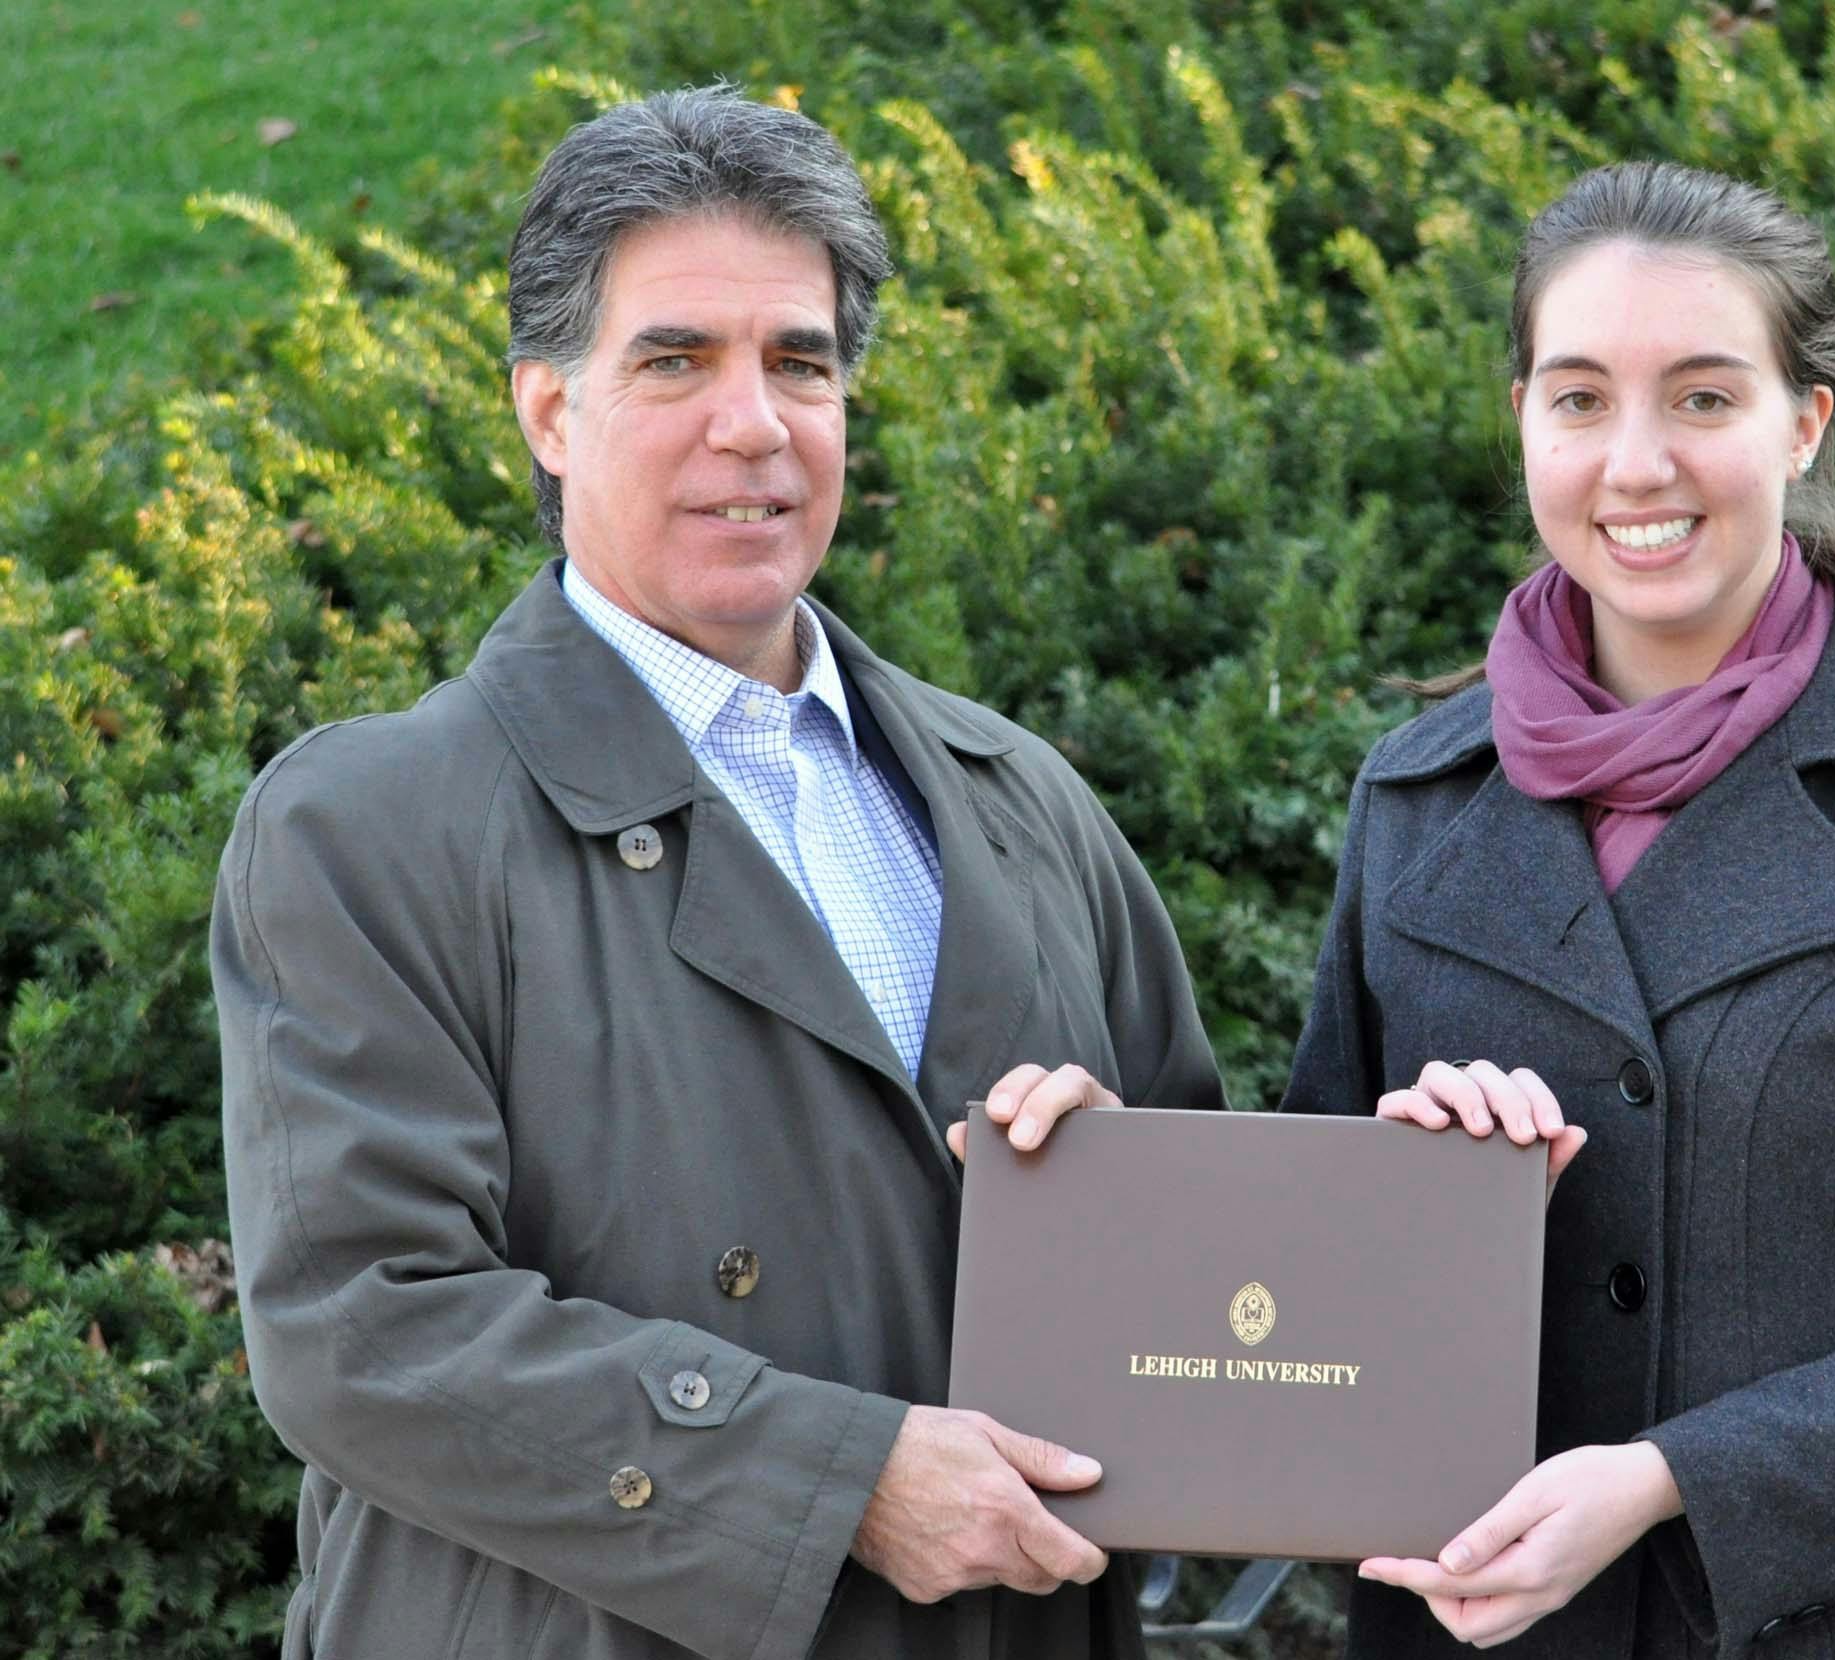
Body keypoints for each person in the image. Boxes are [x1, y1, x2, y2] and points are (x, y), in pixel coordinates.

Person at [211, 87, 1221, 1660]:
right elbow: (365, 1325)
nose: (751, 423)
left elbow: (1218, 1277)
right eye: (674, 360)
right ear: (549, 413)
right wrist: (839, 1485)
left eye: (799, 363)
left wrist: (1128, 1206)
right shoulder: (367, 828)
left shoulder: (1017, 796)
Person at [1280, 161, 1835, 1657]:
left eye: (1701, 398)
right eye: (1577, 400)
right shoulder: (1417, 800)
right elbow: (1302, 1281)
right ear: (1522, 422)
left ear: (1802, 422)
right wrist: (1404, 1194)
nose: (1635, 464)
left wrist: (1675, 1481)